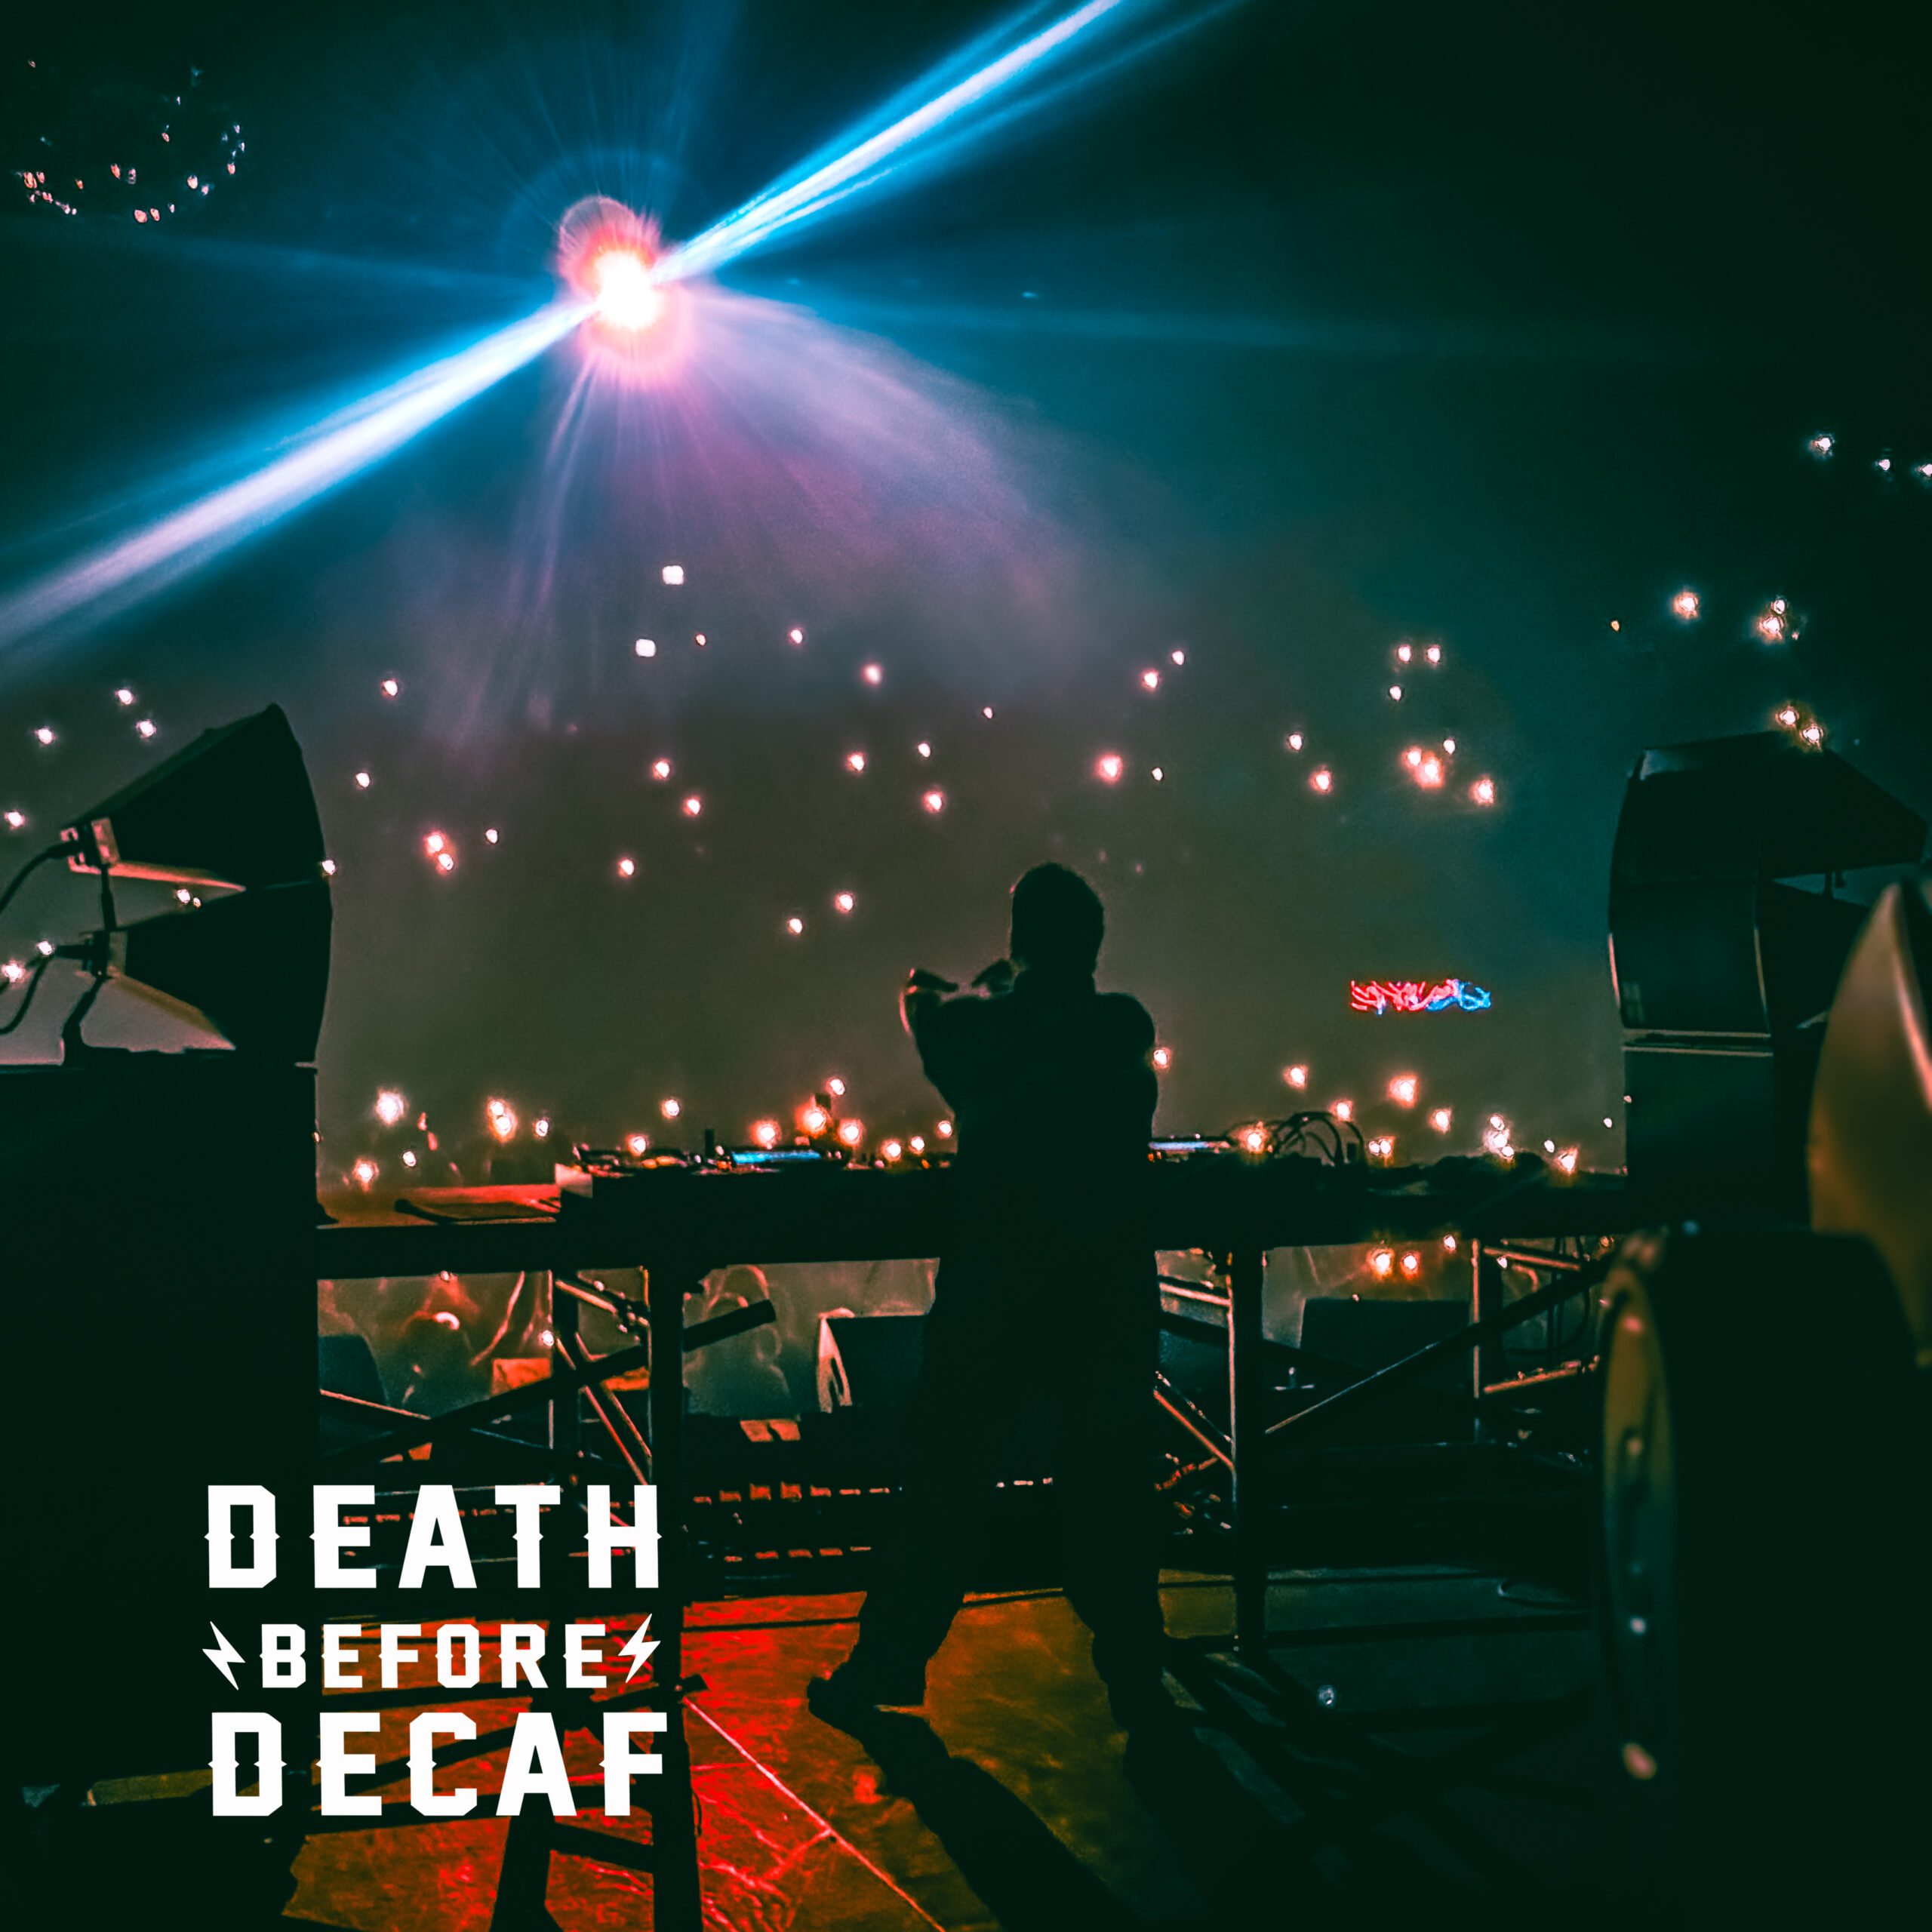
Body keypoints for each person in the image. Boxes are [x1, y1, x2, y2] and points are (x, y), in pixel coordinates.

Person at [810, 863, 1175, 1733]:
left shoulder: (977, 1029)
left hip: (997, 1295)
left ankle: (888, 1663)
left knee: (943, 1485)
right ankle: (1139, 1686)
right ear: (1094, 944)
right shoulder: (1123, 1025)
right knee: (1111, 1495)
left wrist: (993, 978)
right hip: (1103, 1296)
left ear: (1018, 941)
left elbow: (923, 1004)